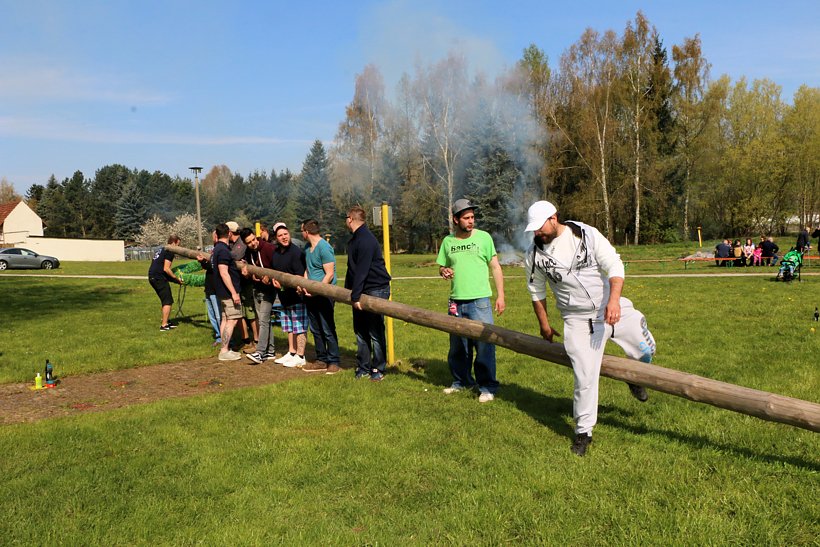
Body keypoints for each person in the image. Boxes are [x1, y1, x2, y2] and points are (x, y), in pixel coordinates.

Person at [523, 201, 655, 457]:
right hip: (578, 320)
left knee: (646, 349)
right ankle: (584, 432)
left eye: (540, 227)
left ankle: (634, 376)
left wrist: (614, 301)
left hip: (612, 306)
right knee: (584, 376)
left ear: (554, 217)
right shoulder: (535, 255)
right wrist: (544, 325)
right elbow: (536, 291)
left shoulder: (586, 234)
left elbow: (615, 265)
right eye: (534, 230)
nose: (537, 233)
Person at [436, 198, 505, 402]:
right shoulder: (448, 242)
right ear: (456, 220)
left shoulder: (484, 238)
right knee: (458, 345)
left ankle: (487, 386)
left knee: (484, 345)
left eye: (472, 217)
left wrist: (501, 295)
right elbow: (442, 266)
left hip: (480, 301)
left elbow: (496, 267)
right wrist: (444, 271)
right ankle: (461, 381)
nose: (471, 221)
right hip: (456, 301)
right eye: (466, 218)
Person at [345, 206, 392, 381]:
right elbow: (353, 269)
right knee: (360, 330)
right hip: (361, 289)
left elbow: (362, 270)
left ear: (350, 219)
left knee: (375, 330)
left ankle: (378, 368)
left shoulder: (365, 239)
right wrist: (350, 292)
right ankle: (363, 366)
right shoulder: (355, 239)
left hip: (376, 288)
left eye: (345, 218)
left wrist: (355, 296)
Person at [299, 219, 341, 374]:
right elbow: (308, 269)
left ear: (306, 231)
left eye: (301, 230)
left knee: (327, 328)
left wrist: (318, 290)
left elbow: (329, 274)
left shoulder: (324, 248)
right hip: (310, 294)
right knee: (315, 328)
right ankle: (321, 359)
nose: (301, 233)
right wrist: (303, 284)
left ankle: (334, 361)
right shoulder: (308, 248)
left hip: (324, 295)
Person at [269, 224, 308, 368]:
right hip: (284, 297)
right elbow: (275, 271)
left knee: (299, 327)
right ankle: (291, 352)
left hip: (296, 297)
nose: (284, 237)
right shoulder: (276, 253)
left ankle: (301, 355)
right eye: (280, 235)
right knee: (289, 327)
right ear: (276, 238)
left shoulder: (296, 252)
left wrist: (284, 286)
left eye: (286, 234)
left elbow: (299, 277)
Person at [239, 227, 277, 364]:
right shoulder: (248, 253)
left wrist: (270, 276)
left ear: (256, 236)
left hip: (269, 290)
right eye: (249, 242)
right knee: (264, 320)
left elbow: (277, 266)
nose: (253, 243)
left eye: (254, 240)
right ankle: (271, 351)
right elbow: (249, 266)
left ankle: (260, 352)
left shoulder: (268, 248)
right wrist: (249, 273)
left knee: (263, 320)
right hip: (257, 289)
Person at [210, 223, 243, 361]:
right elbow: (224, 273)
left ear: (216, 235)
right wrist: (234, 293)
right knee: (233, 320)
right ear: (229, 233)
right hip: (228, 292)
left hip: (221, 291)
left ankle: (225, 348)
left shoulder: (216, 249)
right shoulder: (223, 251)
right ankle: (224, 351)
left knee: (225, 319)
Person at [227, 221, 258, 350]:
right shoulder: (230, 244)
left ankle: (256, 340)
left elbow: (235, 256)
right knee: (240, 313)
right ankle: (245, 339)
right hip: (237, 283)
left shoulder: (241, 243)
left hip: (246, 283)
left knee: (250, 312)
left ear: (229, 233)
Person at [148, 234, 183, 331]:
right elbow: (166, 269)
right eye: (178, 244)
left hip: (153, 276)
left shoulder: (162, 249)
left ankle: (166, 321)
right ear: (173, 242)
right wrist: (176, 279)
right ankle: (164, 325)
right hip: (158, 277)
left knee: (165, 300)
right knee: (168, 301)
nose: (178, 248)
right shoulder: (170, 251)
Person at [198, 230, 222, 347]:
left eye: (214, 236)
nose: (213, 238)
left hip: (215, 288)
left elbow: (214, 267)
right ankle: (218, 336)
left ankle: (225, 338)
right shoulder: (214, 249)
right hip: (209, 287)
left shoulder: (220, 250)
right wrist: (203, 262)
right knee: (212, 315)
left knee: (218, 315)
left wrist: (203, 262)